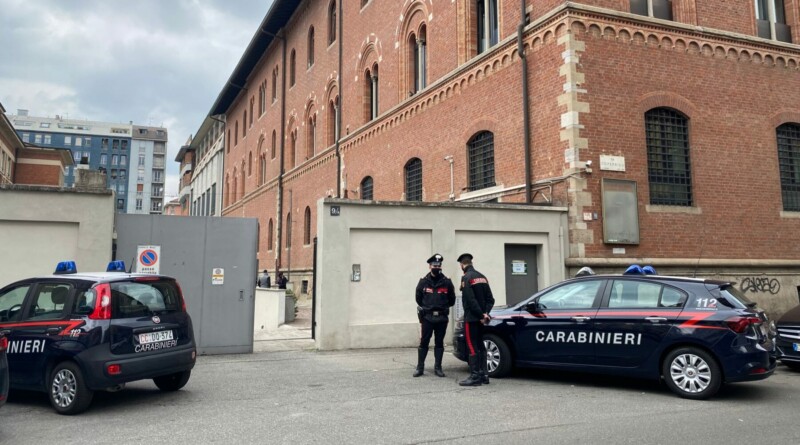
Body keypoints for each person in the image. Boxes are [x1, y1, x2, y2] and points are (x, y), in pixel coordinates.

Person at [413, 253, 456, 378]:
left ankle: (438, 368)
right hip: (427, 317)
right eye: (434, 265)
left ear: (441, 266)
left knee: (439, 342)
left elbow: (452, 300)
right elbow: (418, 299)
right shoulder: (423, 282)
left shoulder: (447, 282)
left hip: (442, 318)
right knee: (424, 342)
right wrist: (428, 307)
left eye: (438, 265)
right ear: (429, 266)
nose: (436, 267)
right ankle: (420, 367)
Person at [457, 253, 494, 386]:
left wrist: (479, 315)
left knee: (472, 346)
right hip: (482, 319)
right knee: (481, 346)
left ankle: (475, 376)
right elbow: (491, 299)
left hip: (472, 319)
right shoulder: (482, 277)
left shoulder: (466, 278)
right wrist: (485, 314)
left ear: (462, 265)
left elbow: (470, 300)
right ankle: (484, 375)